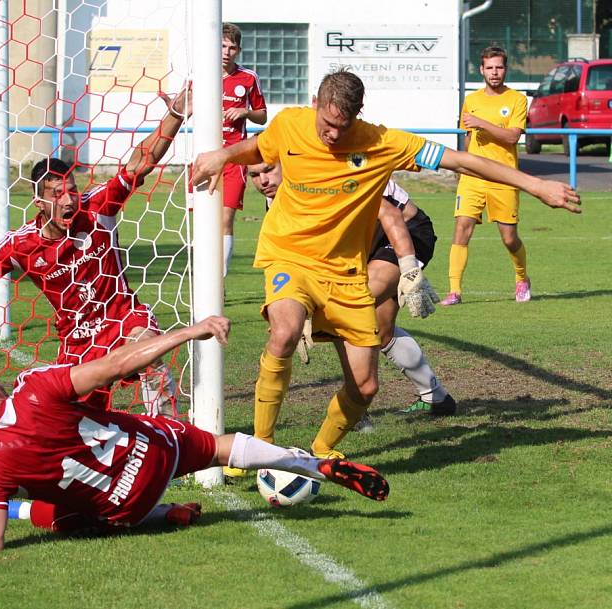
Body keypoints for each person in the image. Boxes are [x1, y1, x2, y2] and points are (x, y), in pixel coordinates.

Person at [193, 69, 579, 463]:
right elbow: (261, 148)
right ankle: (261, 446)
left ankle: (321, 450)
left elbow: (462, 160)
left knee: (364, 387)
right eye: (327, 124)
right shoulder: (290, 123)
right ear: (314, 105)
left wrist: (536, 185)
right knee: (285, 332)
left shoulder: (382, 143)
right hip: (289, 255)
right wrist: (223, 154)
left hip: (346, 273)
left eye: (343, 127)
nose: (333, 136)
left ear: (358, 115)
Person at [0, 317, 389, 554]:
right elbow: (118, 364)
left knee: (60, 514)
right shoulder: (35, 386)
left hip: (127, 510)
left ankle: (165, 513)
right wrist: (187, 331)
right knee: (220, 445)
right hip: (154, 449)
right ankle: (308, 463)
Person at [0, 88, 193, 416]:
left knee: (149, 350)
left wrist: (174, 115)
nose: (69, 200)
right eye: (57, 194)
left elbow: (138, 164)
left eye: (72, 190)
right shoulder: (20, 245)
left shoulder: (97, 207)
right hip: (79, 343)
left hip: (123, 319)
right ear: (40, 202)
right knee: (79, 425)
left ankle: (172, 438)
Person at [247, 165, 455, 436]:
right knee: (379, 331)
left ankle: (357, 406)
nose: (263, 180)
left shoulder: (319, 176)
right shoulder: (277, 198)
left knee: (347, 305)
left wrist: (409, 268)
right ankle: (436, 397)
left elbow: (390, 214)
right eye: (253, 174)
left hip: (404, 231)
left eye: (268, 170)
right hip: (358, 248)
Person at [442, 46, 529, 306]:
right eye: (489, 67)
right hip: (473, 178)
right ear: (481, 70)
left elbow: (513, 136)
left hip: (504, 178)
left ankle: (521, 278)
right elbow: (468, 139)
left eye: (499, 67)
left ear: (505, 69)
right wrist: (461, 168)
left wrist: (483, 124)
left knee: (509, 238)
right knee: (461, 228)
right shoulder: (472, 100)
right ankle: (454, 291)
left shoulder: (516, 99)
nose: (494, 72)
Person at [220, 23, 267, 277]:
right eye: (223, 46)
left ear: (238, 50)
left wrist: (246, 111)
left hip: (235, 158)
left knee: (226, 219)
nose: (227, 52)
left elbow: (262, 116)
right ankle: (203, 277)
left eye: (232, 47)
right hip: (205, 157)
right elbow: (184, 108)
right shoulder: (199, 77)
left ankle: (219, 282)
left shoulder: (248, 78)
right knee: (205, 222)